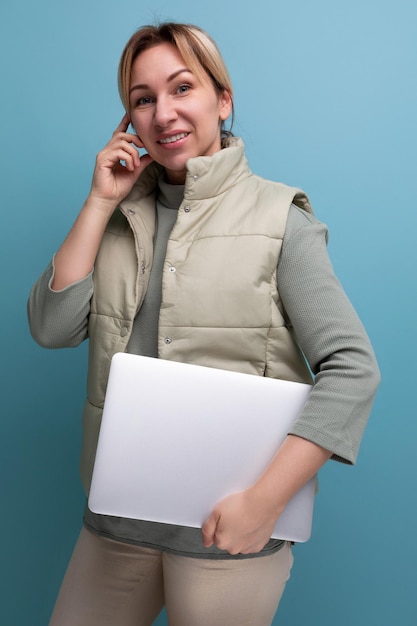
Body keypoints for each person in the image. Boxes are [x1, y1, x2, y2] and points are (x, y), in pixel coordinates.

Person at [28, 21, 380, 626]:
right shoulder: (116, 216)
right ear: (128, 120)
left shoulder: (281, 219)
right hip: (116, 523)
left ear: (223, 99)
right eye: (143, 99)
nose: (163, 112)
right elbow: (52, 328)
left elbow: (353, 370)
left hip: (229, 535)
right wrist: (98, 202)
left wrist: (264, 504)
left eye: (182, 88)